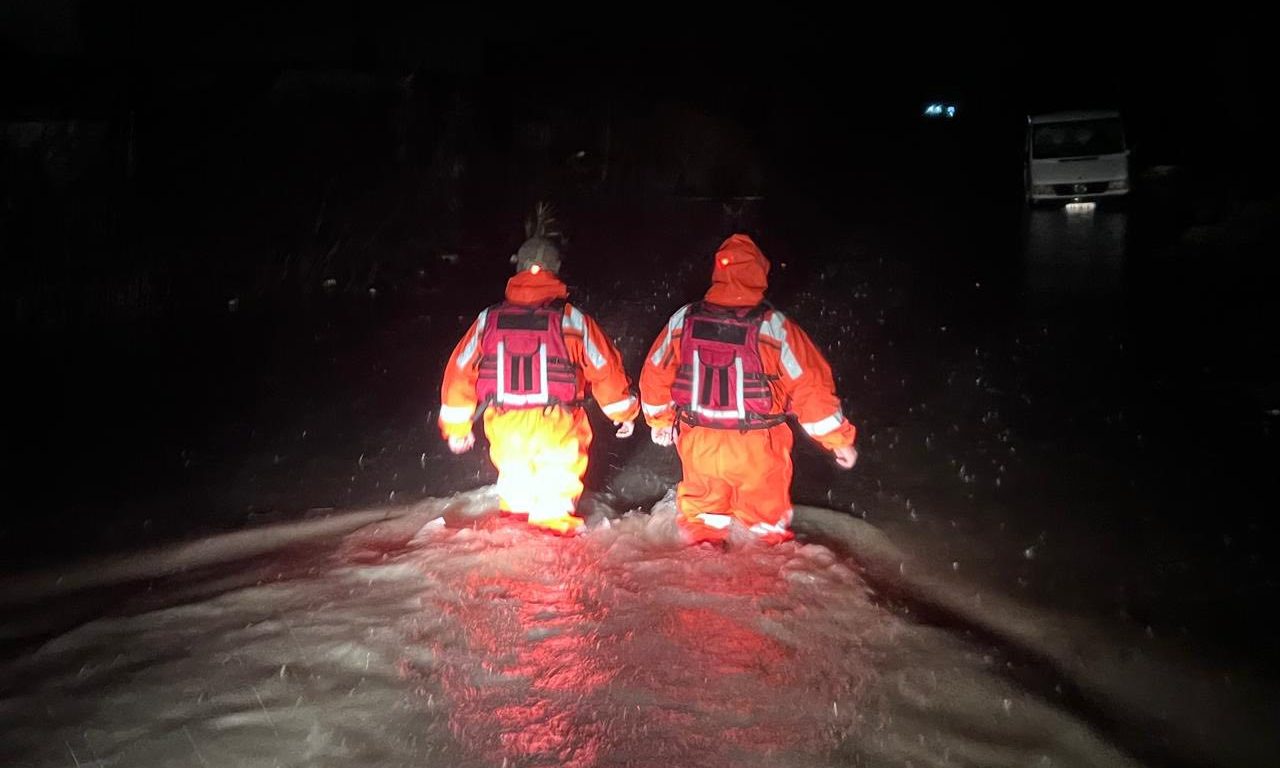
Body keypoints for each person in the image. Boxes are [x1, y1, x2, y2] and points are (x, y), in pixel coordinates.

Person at [640, 233, 857, 544]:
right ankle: (763, 566)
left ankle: (703, 558)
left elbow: (655, 373)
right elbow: (811, 387)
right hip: (758, 446)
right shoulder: (775, 326)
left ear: (718, 271)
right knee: (765, 529)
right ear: (760, 273)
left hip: (699, 442)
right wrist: (838, 441)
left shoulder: (683, 319)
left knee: (702, 521)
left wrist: (659, 421)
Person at [439, 236, 638, 534]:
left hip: (505, 423)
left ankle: (514, 546)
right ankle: (554, 543)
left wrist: (457, 427)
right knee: (555, 503)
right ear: (556, 270)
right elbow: (604, 368)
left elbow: (459, 371)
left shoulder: (488, 319)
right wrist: (624, 412)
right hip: (556, 424)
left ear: (517, 268)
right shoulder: (572, 320)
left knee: (516, 495)